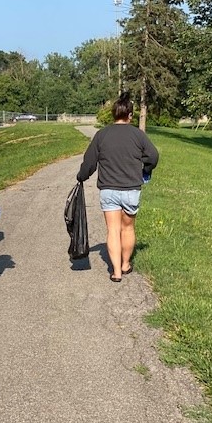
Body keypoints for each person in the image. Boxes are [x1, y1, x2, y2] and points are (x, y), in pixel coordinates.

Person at [77, 92, 159, 282]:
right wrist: (145, 169)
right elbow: (153, 156)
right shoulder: (138, 135)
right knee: (128, 228)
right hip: (131, 188)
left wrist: (82, 176)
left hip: (109, 189)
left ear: (114, 114)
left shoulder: (101, 135)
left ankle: (116, 272)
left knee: (113, 230)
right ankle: (125, 264)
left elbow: (89, 162)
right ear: (130, 115)